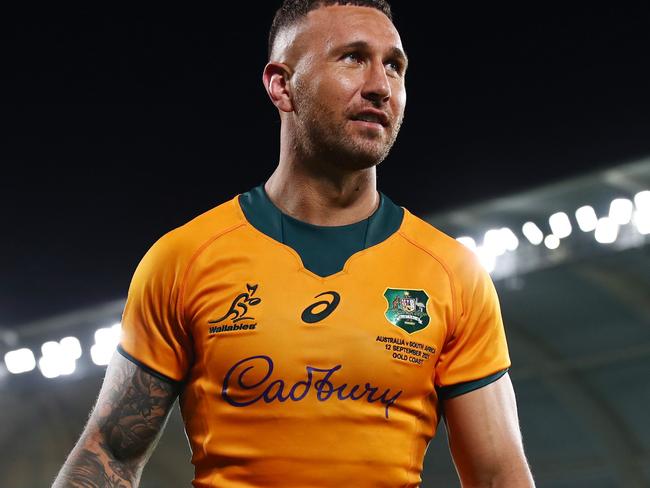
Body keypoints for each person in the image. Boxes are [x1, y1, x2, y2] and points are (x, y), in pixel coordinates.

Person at [53, 1, 535, 487]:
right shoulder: (185, 259)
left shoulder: (451, 273)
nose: (379, 85)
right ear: (281, 85)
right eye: (352, 58)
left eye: (394, 65)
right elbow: (109, 456)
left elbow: (498, 475)